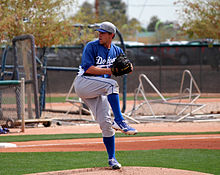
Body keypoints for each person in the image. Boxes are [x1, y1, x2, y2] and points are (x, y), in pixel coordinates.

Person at [73, 21, 137, 169]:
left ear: (111, 35)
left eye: (103, 33)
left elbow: (129, 67)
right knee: (112, 84)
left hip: (100, 89)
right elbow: (88, 68)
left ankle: (112, 159)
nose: (99, 35)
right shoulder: (92, 46)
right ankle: (120, 120)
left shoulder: (116, 50)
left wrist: (128, 67)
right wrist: (111, 71)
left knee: (106, 125)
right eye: (99, 32)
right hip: (83, 83)